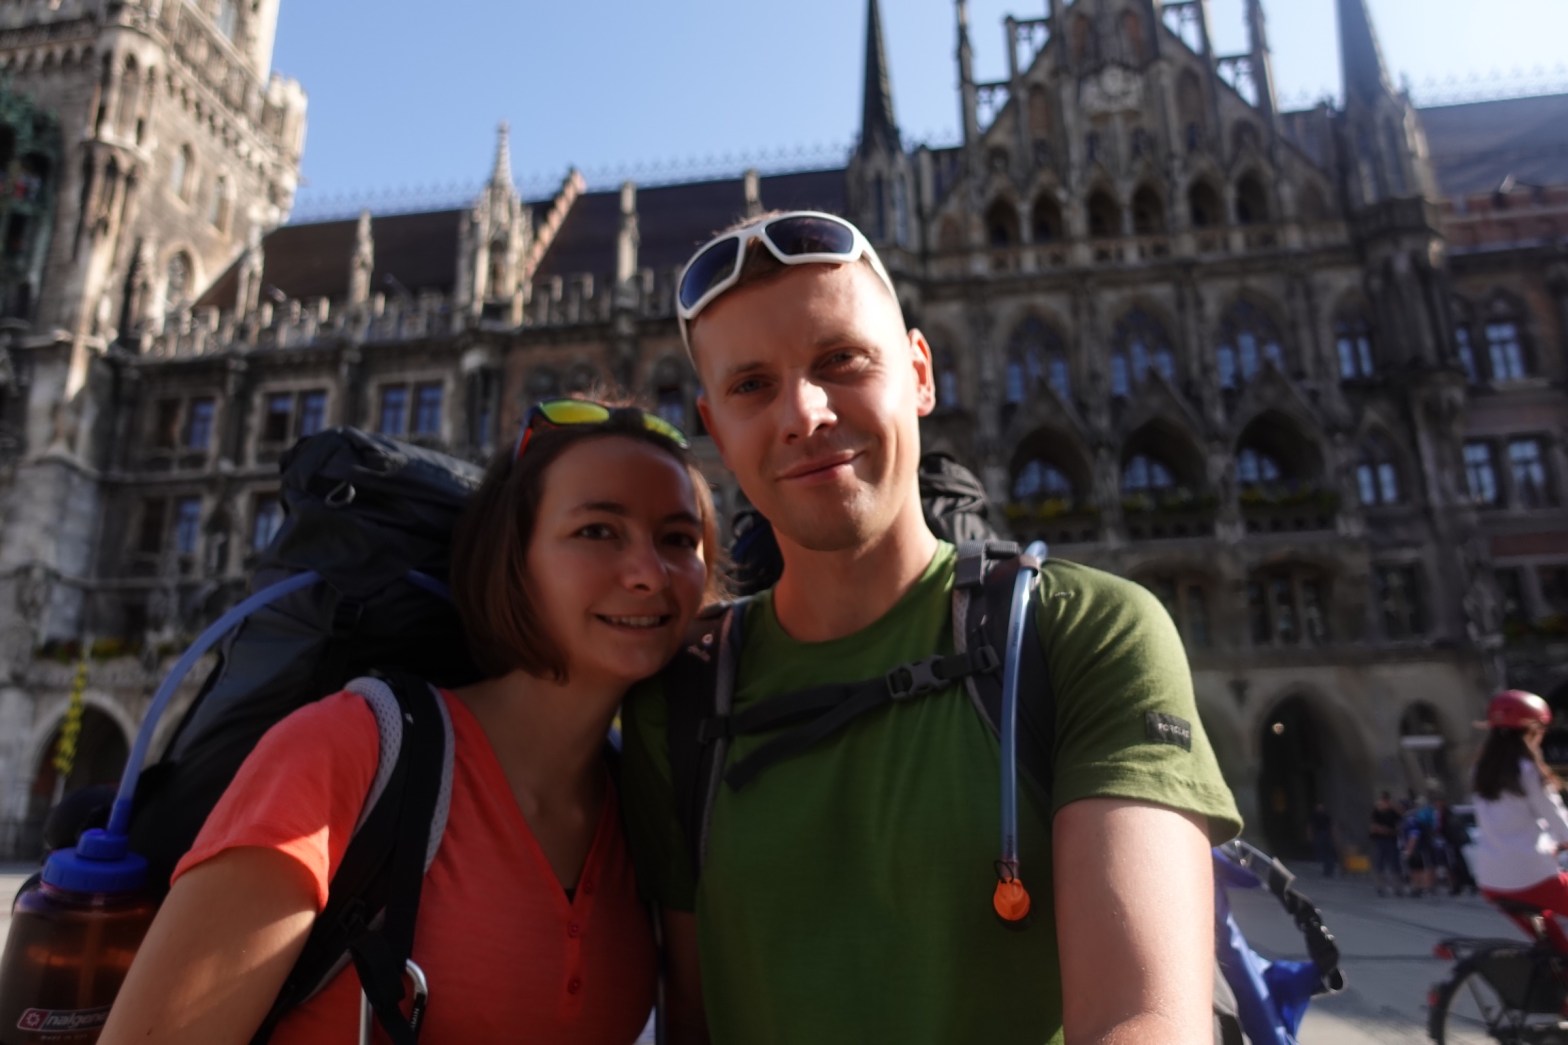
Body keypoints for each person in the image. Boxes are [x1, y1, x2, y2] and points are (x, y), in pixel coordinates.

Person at [621, 210, 1242, 1044]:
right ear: (716, 432)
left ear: (919, 371)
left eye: (840, 360)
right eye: (751, 386)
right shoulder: (684, 695)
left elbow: (1145, 1019)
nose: (803, 413)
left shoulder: (1082, 632)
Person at [101, 398, 719, 1044]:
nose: (649, 572)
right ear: (512, 557)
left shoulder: (649, 807)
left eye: (678, 539)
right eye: (598, 530)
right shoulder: (349, 749)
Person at [1470, 690, 1568, 944]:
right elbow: (1560, 823)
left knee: (1555, 949)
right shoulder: (1529, 772)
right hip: (1532, 877)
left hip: (1492, 882)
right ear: (1532, 731)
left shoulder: (1480, 772)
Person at [1369, 791, 1403, 896]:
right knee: (1379, 863)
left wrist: (1394, 807)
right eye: (1383, 800)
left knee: (1394, 864)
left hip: (1391, 839)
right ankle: (1380, 887)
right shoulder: (1376, 811)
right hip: (1380, 840)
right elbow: (1373, 825)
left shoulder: (1393, 811)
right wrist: (1381, 829)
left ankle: (1397, 887)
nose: (1384, 802)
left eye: (1386, 800)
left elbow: (1401, 818)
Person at [1310, 802, 1338, 878]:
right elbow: (1311, 826)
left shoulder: (1326, 816)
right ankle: (1327, 869)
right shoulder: (1315, 816)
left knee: (1328, 852)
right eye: (1318, 807)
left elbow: (1332, 826)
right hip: (1320, 835)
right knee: (1324, 853)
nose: (1320, 808)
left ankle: (1329, 869)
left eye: (1321, 807)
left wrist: (1333, 836)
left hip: (1326, 835)